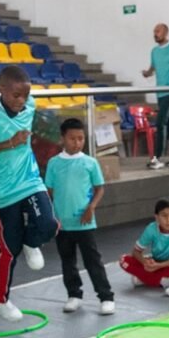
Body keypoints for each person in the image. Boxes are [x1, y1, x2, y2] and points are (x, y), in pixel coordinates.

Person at [0, 65, 58, 321]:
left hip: (30, 181)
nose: (21, 101)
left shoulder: (30, 103)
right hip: (3, 191)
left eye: (25, 95)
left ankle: (32, 242)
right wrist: (9, 143)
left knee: (49, 224)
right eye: (15, 95)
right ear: (1, 89)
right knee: (9, 248)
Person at [46, 118, 115, 315]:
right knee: (67, 261)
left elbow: (99, 188)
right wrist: (53, 216)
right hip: (62, 224)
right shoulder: (54, 163)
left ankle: (106, 297)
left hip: (84, 223)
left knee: (93, 260)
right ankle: (74, 295)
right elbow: (49, 191)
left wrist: (91, 207)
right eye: (72, 138)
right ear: (62, 138)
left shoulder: (90, 163)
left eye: (81, 138)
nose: (77, 143)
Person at [141, 23, 169, 170]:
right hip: (160, 92)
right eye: (154, 31)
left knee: (160, 123)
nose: (155, 34)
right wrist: (147, 73)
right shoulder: (154, 51)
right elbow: (153, 68)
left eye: (158, 31)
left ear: (166, 33)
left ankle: (156, 157)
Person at [119, 198, 169, 289]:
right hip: (155, 262)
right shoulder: (151, 228)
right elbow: (136, 252)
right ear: (157, 217)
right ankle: (161, 280)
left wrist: (160, 266)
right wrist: (146, 263)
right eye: (164, 216)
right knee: (123, 259)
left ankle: (144, 278)